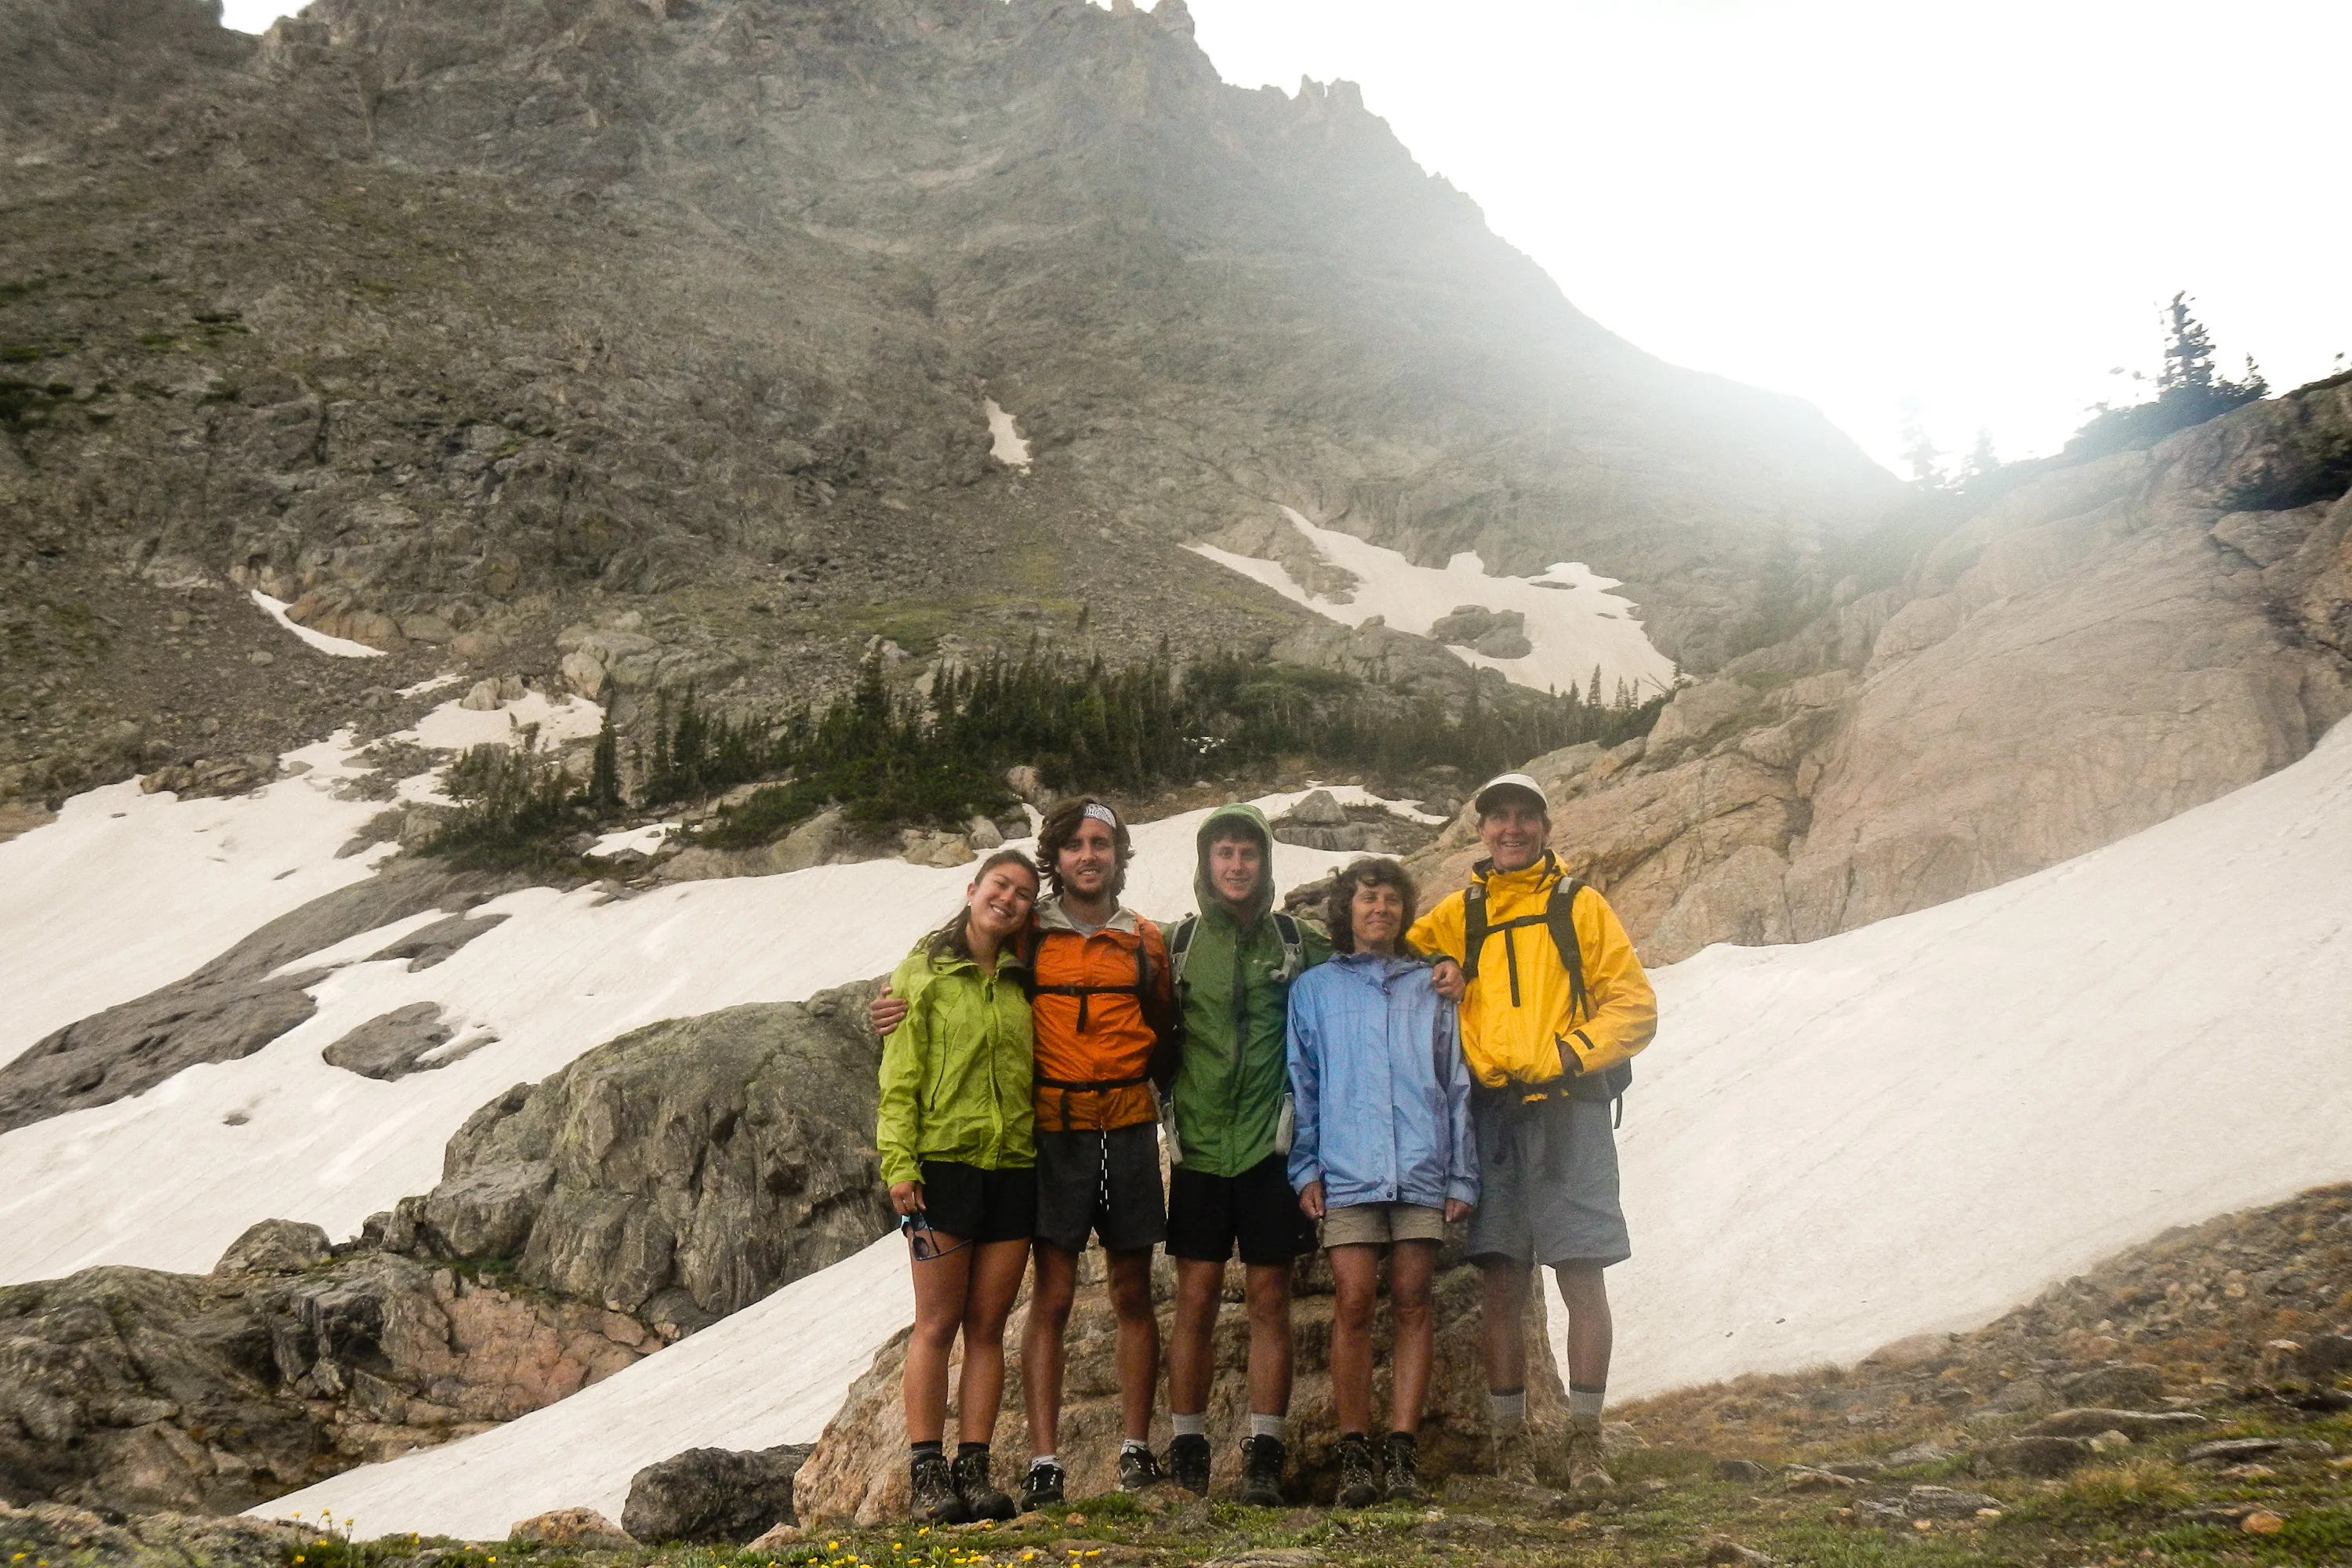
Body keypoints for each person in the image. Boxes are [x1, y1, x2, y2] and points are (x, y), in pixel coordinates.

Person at [871, 797, 1176, 1510]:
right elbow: (915, 1027)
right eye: (1074, 844)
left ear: (1117, 855)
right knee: (1044, 1299)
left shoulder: (1141, 942)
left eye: (1101, 843)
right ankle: (1031, 1463)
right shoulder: (1016, 940)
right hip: (1035, 1140)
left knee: (1125, 1292)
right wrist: (888, 1006)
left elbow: (1166, 1031)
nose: (1089, 856)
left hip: (1092, 1136)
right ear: (1056, 858)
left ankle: (1122, 1451)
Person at [1410, 771, 1656, 1493]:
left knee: (1581, 1273)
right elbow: (1396, 958)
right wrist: (1440, 970)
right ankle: (1509, 1449)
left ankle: (1585, 1445)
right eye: (1498, 819)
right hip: (1494, 1116)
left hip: (1569, 1107)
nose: (1511, 829)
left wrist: (1566, 1054)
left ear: (1545, 828)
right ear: (1480, 830)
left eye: (1525, 818)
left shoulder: (1581, 906)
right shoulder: (1459, 913)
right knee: (1502, 1283)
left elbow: (1634, 1006)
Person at [1287, 857, 1476, 1508]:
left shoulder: (1431, 985)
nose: (1381, 909)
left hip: (1424, 1166)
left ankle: (1401, 1452)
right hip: (1346, 1169)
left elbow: (1456, 1083)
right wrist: (1304, 1168)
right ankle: (1354, 1452)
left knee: (1416, 1298)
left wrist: (1463, 1175)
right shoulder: (1314, 989)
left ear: (1405, 912)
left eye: (1393, 899)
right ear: (1348, 909)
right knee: (1355, 1301)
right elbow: (1302, 1084)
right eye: (1368, 898)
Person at [1161, 802, 1332, 1504]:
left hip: (1272, 1148)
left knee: (1269, 1300)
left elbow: (1370, 968)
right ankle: (1188, 1449)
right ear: (1206, 863)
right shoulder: (1173, 945)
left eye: (1248, 854)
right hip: (1198, 1148)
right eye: (1223, 853)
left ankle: (1264, 1451)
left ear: (1265, 862)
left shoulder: (1298, 941)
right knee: (1195, 1301)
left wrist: (1442, 971)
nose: (1236, 866)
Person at [877, 849, 1045, 1524]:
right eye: (1000, 885)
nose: (1009, 899)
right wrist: (900, 1165)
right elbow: (899, 1081)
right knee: (936, 1324)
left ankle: (973, 1471)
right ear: (973, 890)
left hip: (1013, 1167)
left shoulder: (1022, 979)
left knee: (988, 1326)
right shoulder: (920, 976)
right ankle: (926, 1474)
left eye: (1024, 894)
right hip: (942, 1167)